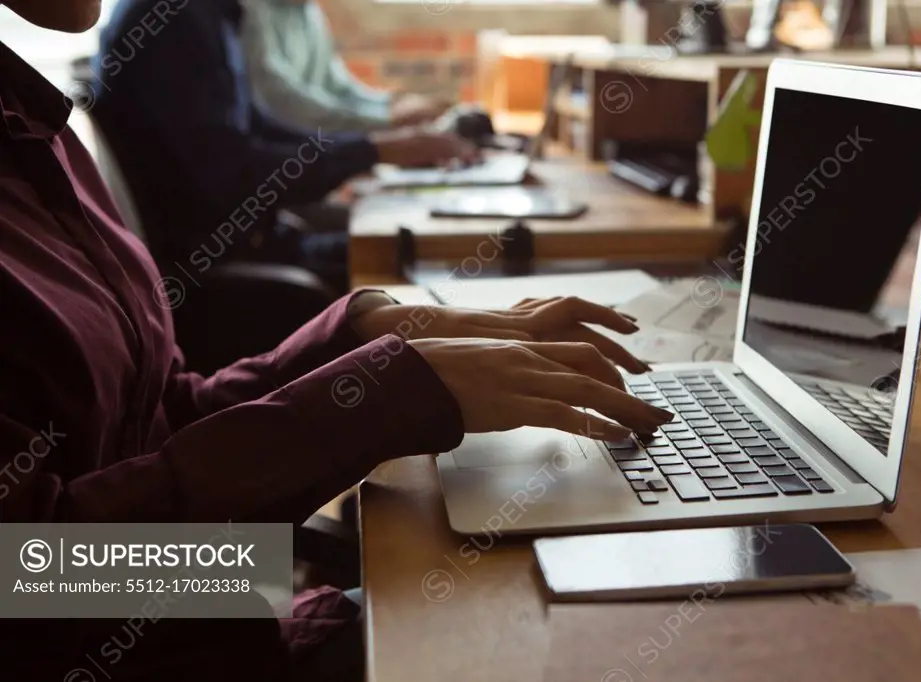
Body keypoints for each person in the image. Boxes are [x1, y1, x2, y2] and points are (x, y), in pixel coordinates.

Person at [0, 1, 671, 678]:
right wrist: (374, 404)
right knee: (555, 630)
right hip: (179, 648)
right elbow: (32, 582)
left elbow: (158, 417)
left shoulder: (29, 122)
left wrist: (355, 337)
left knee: (526, 575)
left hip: (225, 621)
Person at [87, 0, 472, 285]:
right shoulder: (172, 21)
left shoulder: (206, 13)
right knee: (414, 270)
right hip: (216, 268)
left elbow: (260, 128)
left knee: (413, 248)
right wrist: (373, 150)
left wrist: (376, 146)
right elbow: (233, 174)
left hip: (256, 241)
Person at [240, 0, 450, 132]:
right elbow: (282, 102)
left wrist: (392, 104)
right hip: (277, 157)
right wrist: (385, 122)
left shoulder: (309, 11)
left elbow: (340, 88)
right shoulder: (250, 11)